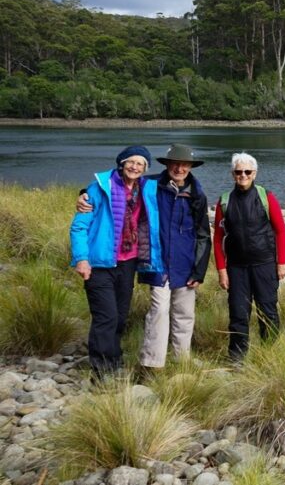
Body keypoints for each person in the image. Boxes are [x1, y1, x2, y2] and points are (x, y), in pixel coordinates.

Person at [78, 143, 212, 371]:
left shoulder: (197, 194)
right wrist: (83, 193)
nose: (179, 168)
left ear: (191, 167)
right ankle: (152, 364)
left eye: (185, 164)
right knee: (159, 311)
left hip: (185, 264)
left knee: (185, 315)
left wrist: (199, 270)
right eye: (175, 164)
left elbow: (203, 235)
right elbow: (114, 183)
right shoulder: (151, 185)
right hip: (158, 264)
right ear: (167, 165)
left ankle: (182, 362)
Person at [70, 146, 164, 376]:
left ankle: (113, 360)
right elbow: (79, 226)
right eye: (130, 162)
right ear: (121, 163)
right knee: (106, 317)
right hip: (99, 264)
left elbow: (176, 179)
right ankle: (101, 372)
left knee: (120, 317)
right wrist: (81, 259)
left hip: (128, 263)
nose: (134, 167)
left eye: (140, 164)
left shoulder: (146, 189)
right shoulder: (99, 188)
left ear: (145, 169)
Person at [213, 152, 285, 360]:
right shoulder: (224, 202)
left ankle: (270, 354)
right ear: (232, 174)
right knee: (238, 314)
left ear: (254, 173)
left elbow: (281, 231)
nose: (243, 175)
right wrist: (221, 270)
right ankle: (237, 357)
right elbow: (218, 239)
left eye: (247, 171)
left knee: (268, 311)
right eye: (238, 172)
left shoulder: (266, 197)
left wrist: (281, 262)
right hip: (236, 267)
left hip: (264, 264)